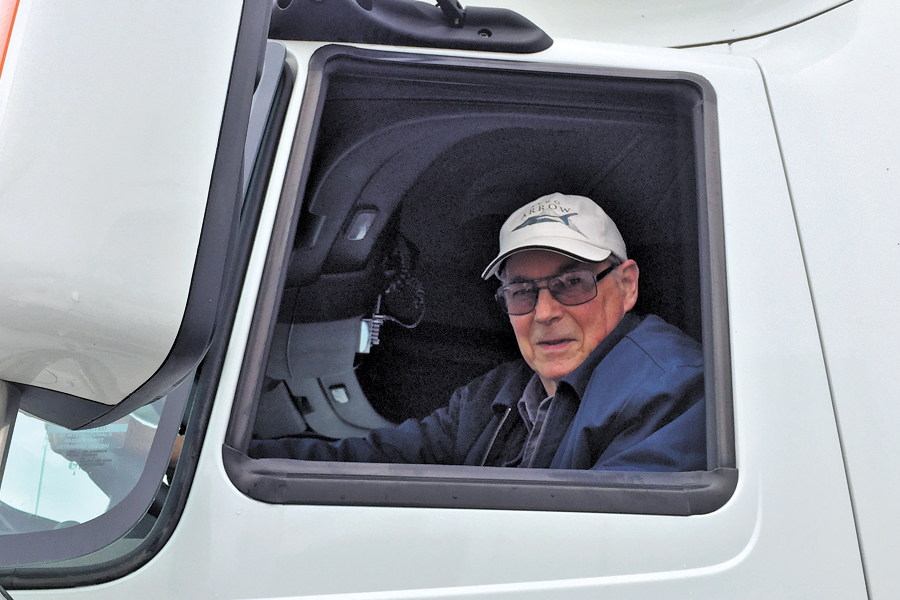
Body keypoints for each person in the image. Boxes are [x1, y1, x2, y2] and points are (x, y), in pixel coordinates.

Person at [250, 193, 705, 471]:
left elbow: (606, 552)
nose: (544, 312)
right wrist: (230, 457)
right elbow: (380, 460)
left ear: (626, 286)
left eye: (572, 283)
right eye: (522, 292)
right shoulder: (491, 396)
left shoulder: (673, 387)